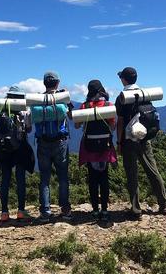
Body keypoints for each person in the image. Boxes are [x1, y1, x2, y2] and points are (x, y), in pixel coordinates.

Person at [115, 67, 166, 219]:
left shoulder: (122, 97)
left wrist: (119, 142)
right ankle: (164, 204)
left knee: (132, 174)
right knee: (152, 170)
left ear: (124, 79)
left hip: (128, 140)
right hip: (144, 139)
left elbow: (120, 122)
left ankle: (136, 209)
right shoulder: (146, 94)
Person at [30, 71, 73, 223]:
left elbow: (30, 121)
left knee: (44, 178)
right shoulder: (63, 99)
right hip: (61, 142)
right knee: (63, 176)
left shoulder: (38, 100)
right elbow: (72, 117)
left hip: (43, 143)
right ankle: (66, 210)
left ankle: (45, 212)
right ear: (57, 83)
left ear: (44, 83)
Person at [74, 79, 117, 223]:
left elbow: (77, 125)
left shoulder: (84, 106)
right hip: (105, 146)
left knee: (92, 178)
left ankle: (95, 211)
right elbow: (113, 127)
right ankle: (105, 211)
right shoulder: (108, 105)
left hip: (89, 146)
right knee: (104, 178)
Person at [0, 86, 35, 222]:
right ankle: (21, 211)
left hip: (4, 150)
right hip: (20, 149)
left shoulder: (0, 110)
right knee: (20, 179)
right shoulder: (24, 111)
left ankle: (4, 212)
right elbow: (28, 129)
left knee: (5, 180)